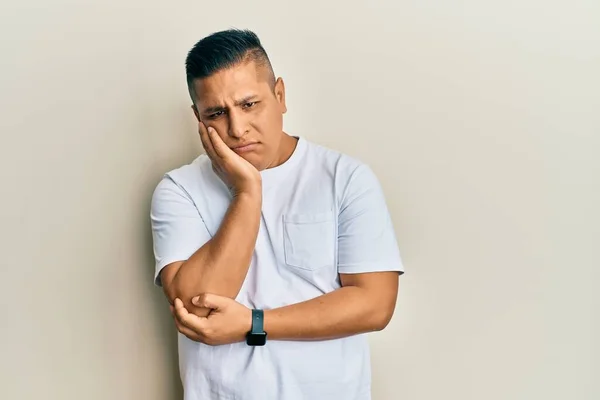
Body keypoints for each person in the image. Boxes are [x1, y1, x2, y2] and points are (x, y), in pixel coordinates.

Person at [150, 28, 404, 400]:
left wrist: (254, 324)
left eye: (249, 104)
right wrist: (247, 192)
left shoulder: (345, 178)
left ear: (280, 95)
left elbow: (375, 304)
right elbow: (194, 308)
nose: (237, 129)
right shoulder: (178, 190)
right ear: (198, 118)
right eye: (217, 113)